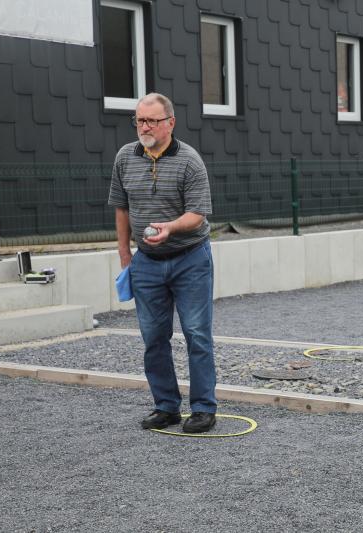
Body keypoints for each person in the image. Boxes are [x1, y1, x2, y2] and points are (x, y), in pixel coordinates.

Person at [108, 93, 217, 433]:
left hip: (190, 259)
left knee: (197, 334)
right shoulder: (125, 157)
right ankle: (166, 406)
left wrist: (170, 228)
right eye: (140, 120)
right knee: (153, 336)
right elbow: (121, 208)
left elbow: (198, 215)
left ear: (170, 123)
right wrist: (125, 255)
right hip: (147, 262)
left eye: (152, 121)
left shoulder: (189, 161)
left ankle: (203, 408)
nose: (145, 127)